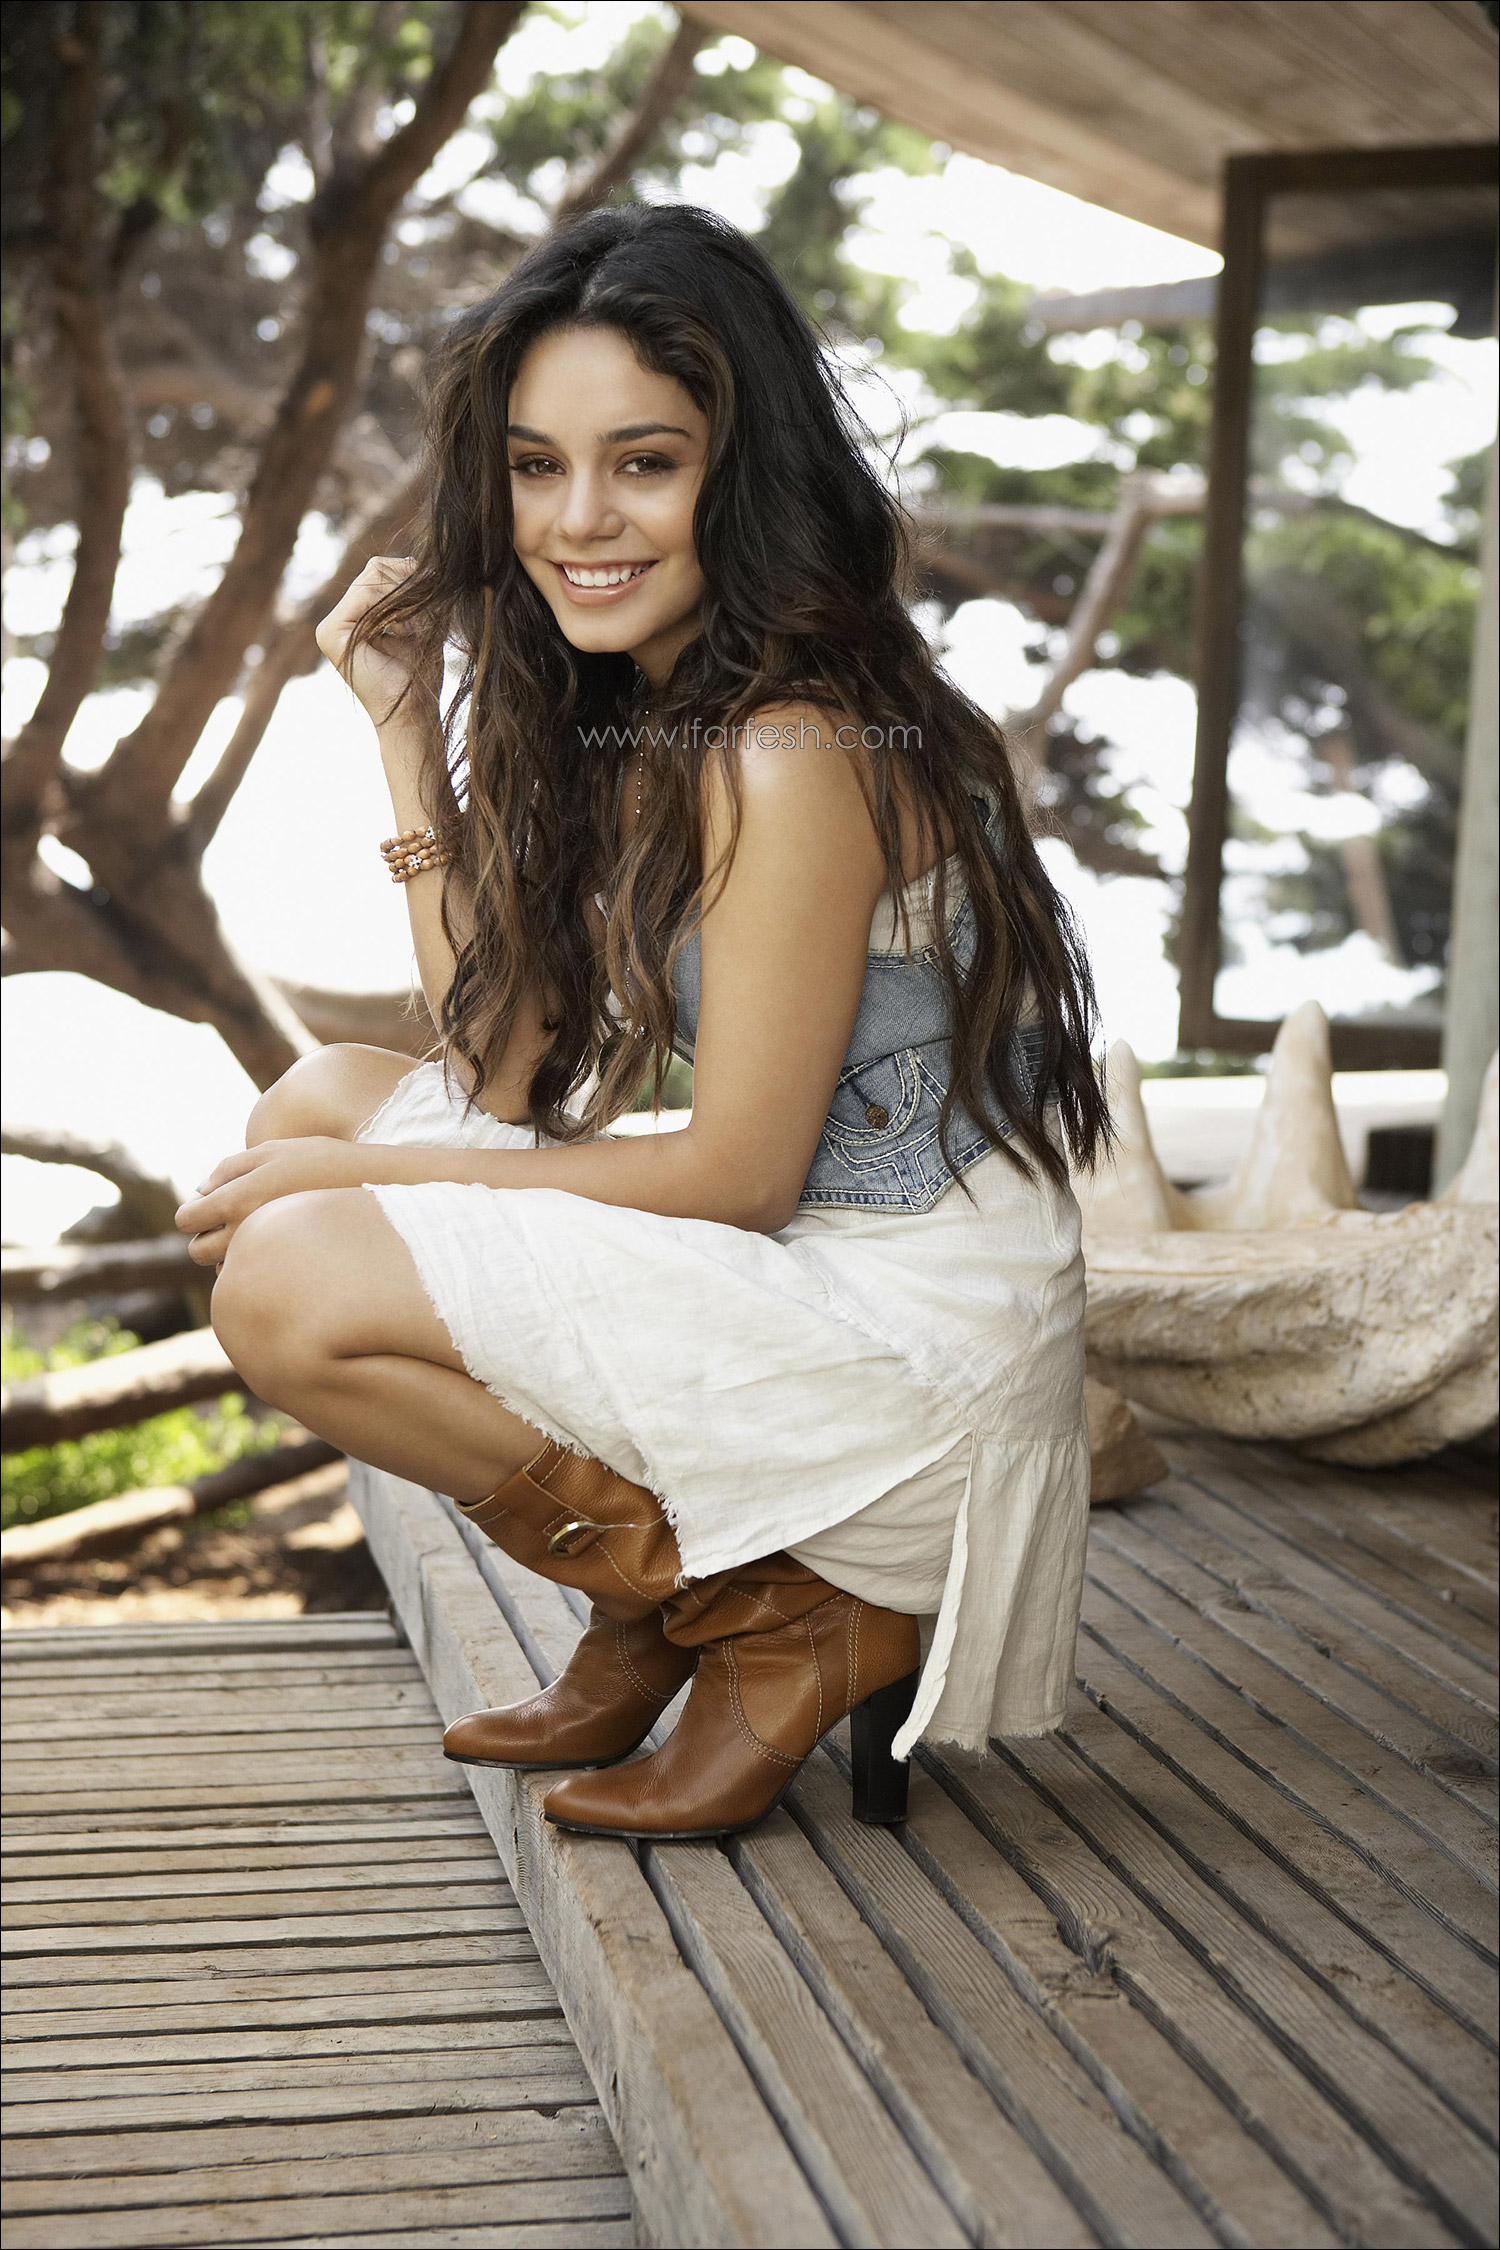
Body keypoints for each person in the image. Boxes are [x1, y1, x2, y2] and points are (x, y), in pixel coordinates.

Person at [176, 203, 1110, 1842]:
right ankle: (663, 1600)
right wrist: (408, 735)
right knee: (317, 1100)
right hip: (809, 1274)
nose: (577, 520)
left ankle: (765, 1608)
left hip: (914, 1355)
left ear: (740, 475)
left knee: (291, 1273)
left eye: (645, 464)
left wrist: (364, 1195)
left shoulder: (791, 748)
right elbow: (498, 1064)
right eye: (537, 468)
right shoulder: (644, 705)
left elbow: (738, 1175)